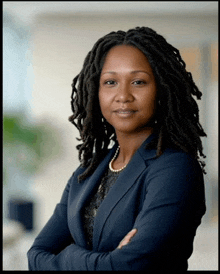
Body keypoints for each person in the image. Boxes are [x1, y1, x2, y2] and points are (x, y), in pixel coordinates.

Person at [27, 26, 207, 271]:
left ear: (161, 89)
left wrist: (68, 256)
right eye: (110, 82)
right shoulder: (88, 170)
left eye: (138, 82)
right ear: (96, 91)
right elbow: (36, 255)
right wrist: (102, 261)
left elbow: (130, 265)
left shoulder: (175, 168)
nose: (123, 95)